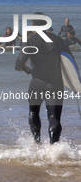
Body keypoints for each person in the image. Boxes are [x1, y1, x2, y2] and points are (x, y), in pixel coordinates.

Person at [15, 12, 74, 145]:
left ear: (33, 25)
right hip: (55, 83)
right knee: (54, 118)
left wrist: (26, 69)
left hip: (37, 82)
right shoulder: (60, 41)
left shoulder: (30, 41)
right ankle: (54, 149)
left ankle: (37, 143)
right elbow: (70, 64)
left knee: (33, 111)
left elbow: (18, 65)